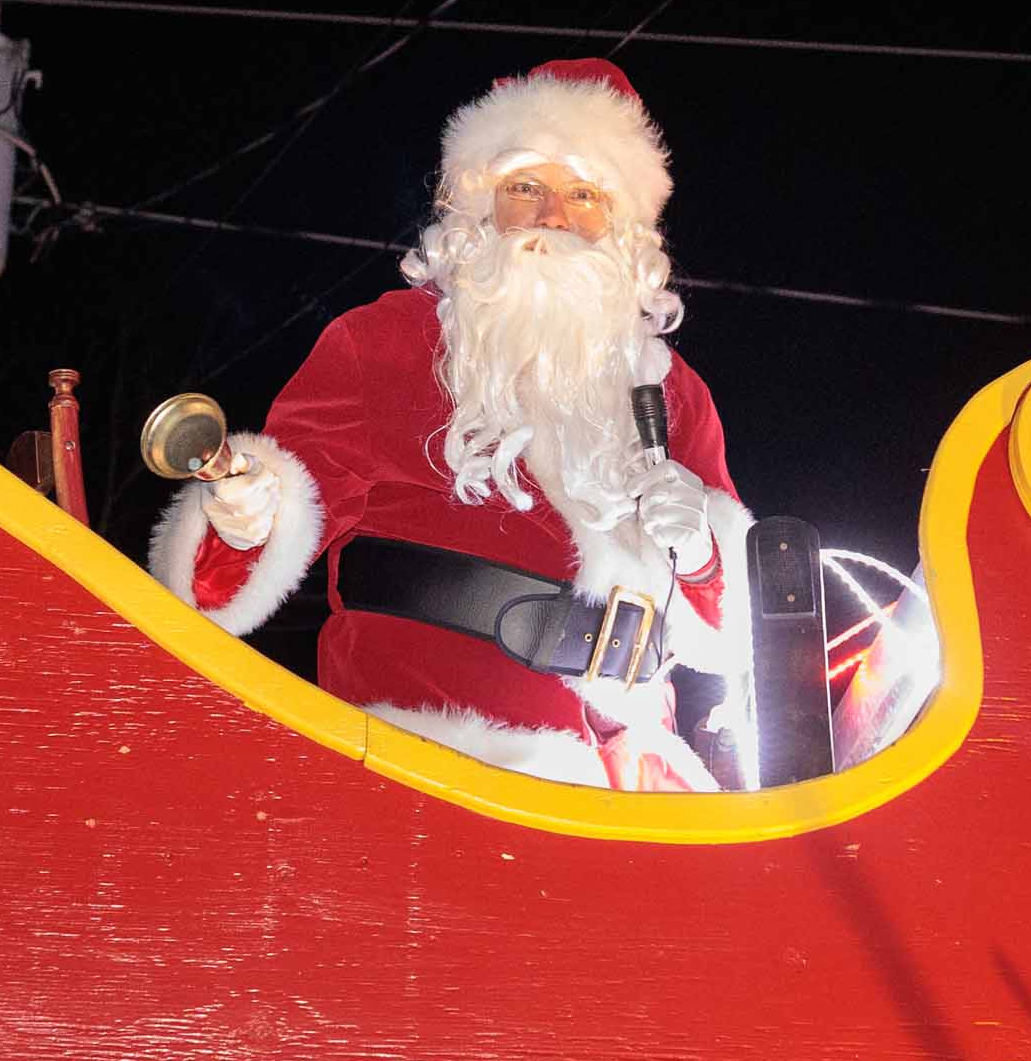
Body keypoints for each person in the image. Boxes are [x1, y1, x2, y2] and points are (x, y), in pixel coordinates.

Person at [148, 59, 754, 791]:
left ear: (623, 227)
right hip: (429, 770)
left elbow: (728, 638)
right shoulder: (384, 343)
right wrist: (243, 519)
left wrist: (702, 552)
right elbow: (229, 579)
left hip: (634, 786)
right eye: (525, 186)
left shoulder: (672, 391)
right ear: (478, 206)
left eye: (584, 193)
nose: (553, 216)